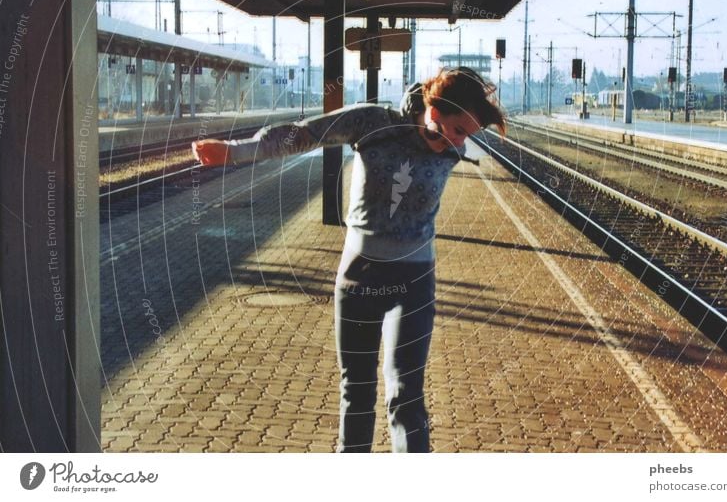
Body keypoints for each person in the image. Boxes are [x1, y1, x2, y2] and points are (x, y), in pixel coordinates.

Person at [192, 67, 506, 452]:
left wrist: (452, 139)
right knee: (356, 392)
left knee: (406, 395)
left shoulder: (451, 151)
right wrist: (237, 152)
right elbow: (304, 134)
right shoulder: (372, 122)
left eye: (468, 136)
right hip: (358, 279)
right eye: (458, 130)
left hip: (414, 282)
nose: (460, 143)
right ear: (434, 108)